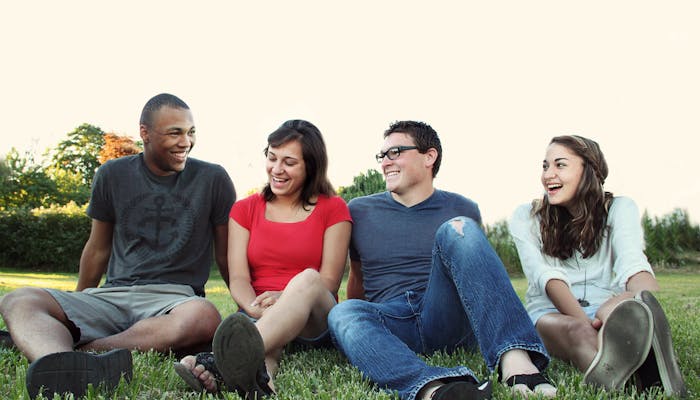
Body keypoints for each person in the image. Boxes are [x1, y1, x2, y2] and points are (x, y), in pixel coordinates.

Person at [0, 93, 236, 399]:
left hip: (174, 299)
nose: (186, 142)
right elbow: (97, 248)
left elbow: (225, 255)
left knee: (205, 316)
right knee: (18, 299)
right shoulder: (112, 174)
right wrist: (76, 305)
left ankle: (81, 355)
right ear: (145, 133)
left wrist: (246, 310)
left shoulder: (213, 179)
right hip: (113, 295)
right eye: (174, 133)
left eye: (191, 132)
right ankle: (55, 359)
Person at [327, 121, 557, 400]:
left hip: (445, 317)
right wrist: (360, 330)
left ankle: (515, 360)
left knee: (458, 228)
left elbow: (476, 274)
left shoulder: (463, 208)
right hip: (393, 322)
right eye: (382, 155)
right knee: (343, 312)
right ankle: (433, 389)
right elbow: (358, 277)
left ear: (429, 156)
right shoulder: (360, 210)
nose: (385, 162)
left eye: (395, 152)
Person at [174, 119, 352, 398]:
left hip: (313, 318)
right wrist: (254, 308)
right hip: (258, 312)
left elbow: (329, 281)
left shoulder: (334, 208)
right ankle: (259, 384)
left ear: (311, 166)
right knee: (264, 353)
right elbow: (238, 277)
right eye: (272, 157)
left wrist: (285, 298)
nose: (276, 169)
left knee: (308, 278)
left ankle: (218, 360)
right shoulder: (244, 210)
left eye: (289, 162)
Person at [508, 135, 687, 397]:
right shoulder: (527, 216)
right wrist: (592, 326)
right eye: (545, 166)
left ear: (589, 170)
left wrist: (643, 299)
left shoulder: (619, 208)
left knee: (626, 306)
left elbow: (632, 263)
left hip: (604, 307)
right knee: (578, 331)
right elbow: (546, 278)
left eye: (560, 165)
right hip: (549, 312)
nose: (548, 175)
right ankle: (639, 378)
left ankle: (644, 351)